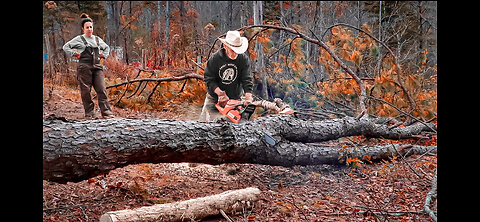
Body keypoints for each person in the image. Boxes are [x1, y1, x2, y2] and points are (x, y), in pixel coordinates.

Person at [62, 13, 115, 119]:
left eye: (91, 27)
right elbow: (65, 47)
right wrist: (74, 53)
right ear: (83, 29)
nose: (90, 29)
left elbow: (107, 48)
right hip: (84, 68)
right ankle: (89, 113)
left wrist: (103, 55)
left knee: (101, 89)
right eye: (87, 27)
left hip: (97, 67)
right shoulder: (79, 39)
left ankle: (106, 112)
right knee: (86, 91)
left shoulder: (97, 39)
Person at [199, 30, 254, 122]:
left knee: (234, 125)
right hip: (214, 98)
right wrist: (220, 93)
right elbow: (209, 79)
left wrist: (248, 96)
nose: (235, 53)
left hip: (235, 98)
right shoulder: (215, 59)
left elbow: (246, 79)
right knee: (203, 123)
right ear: (225, 46)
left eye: (237, 50)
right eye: (233, 50)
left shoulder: (243, 59)